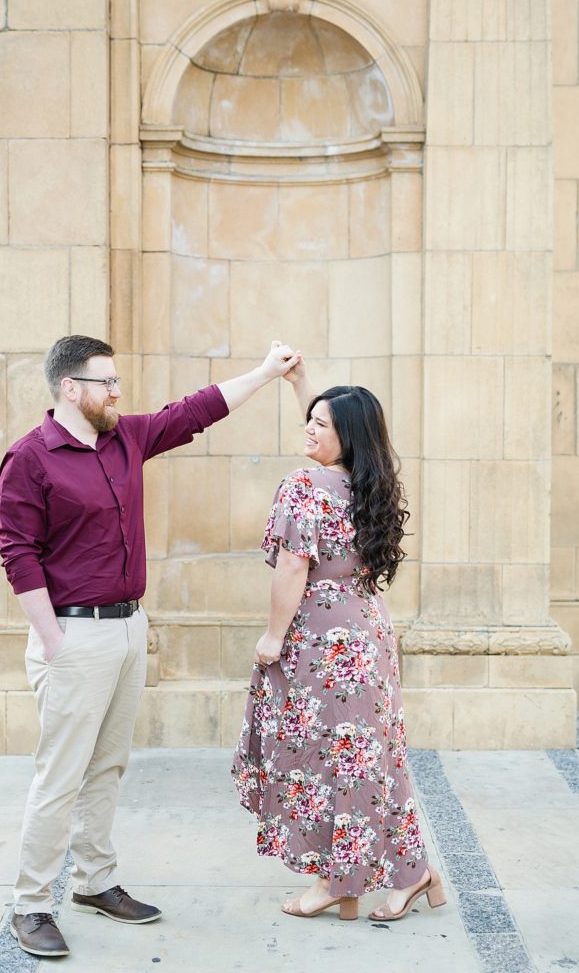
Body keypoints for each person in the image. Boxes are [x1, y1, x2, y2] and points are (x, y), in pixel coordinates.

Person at [0, 334, 300, 958]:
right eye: (105, 381)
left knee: (108, 766)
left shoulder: (125, 438)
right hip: (73, 634)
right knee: (60, 775)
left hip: (129, 627)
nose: (117, 392)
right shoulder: (30, 458)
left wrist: (267, 373)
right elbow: (18, 553)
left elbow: (194, 411)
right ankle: (30, 904)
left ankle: (94, 881)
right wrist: (53, 640)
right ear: (69, 388)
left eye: (116, 381)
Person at [232, 361, 447, 922]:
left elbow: (293, 567)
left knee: (327, 759)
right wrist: (302, 386)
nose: (308, 427)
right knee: (370, 757)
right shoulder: (371, 483)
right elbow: (339, 425)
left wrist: (273, 637)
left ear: (344, 436)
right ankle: (407, 872)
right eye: (310, 418)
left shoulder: (304, 485)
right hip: (368, 634)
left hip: (321, 642)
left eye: (319, 424)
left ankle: (339, 881)